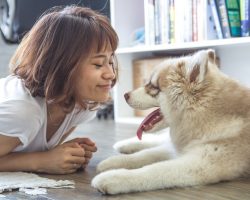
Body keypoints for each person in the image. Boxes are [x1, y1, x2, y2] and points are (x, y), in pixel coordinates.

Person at [0, 5, 118, 174]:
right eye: (98, 64)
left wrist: (67, 154)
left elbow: (34, 149)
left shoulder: (81, 104)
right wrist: (41, 161)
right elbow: (39, 157)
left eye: (110, 62)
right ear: (62, 66)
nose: (111, 74)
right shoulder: (23, 112)